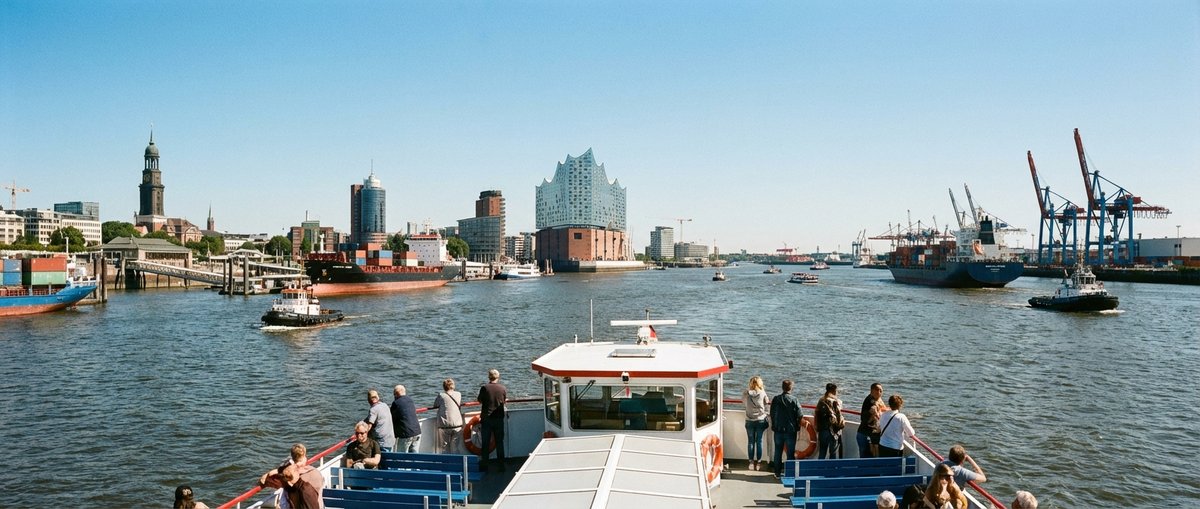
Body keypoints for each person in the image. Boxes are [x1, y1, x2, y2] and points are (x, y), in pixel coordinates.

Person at [259, 443, 325, 509]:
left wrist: (270, 474)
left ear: (292, 456)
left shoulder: (287, 474)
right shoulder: (315, 473)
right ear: (304, 455)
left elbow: (265, 479)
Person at [768, 378, 803, 478]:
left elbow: (772, 413)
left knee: (778, 452)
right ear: (791, 388)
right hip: (790, 431)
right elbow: (800, 414)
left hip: (778, 430)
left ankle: (777, 473)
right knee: (790, 453)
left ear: (782, 387)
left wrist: (774, 424)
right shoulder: (794, 400)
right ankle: (789, 473)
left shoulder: (776, 399)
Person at [477, 368, 508, 471]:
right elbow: (504, 400)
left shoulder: (484, 388)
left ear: (489, 377)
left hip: (486, 419)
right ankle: (501, 465)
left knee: (485, 443)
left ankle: (485, 464)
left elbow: (480, 400)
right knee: (499, 442)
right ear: (498, 377)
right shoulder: (502, 388)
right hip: (499, 419)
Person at [742, 375, 770, 471]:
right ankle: (758, 463)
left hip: (749, 420)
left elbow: (744, 403)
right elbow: (767, 402)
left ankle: (750, 463)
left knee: (750, 442)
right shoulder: (762, 393)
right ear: (760, 383)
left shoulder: (746, 393)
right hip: (760, 420)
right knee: (759, 441)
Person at [430, 378, 465, 454]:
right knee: (455, 446)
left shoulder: (441, 395)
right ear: (453, 386)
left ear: (444, 387)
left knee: (445, 447)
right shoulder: (458, 394)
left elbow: (435, 405)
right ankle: (456, 463)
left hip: (444, 425)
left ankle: (446, 464)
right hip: (457, 424)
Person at [815, 382, 845, 459]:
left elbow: (816, 414)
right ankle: (832, 470)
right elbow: (839, 415)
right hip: (834, 430)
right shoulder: (838, 401)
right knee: (833, 453)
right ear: (834, 391)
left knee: (822, 452)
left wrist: (817, 427)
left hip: (823, 429)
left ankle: (820, 469)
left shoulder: (821, 401)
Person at [857, 383, 885, 458]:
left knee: (870, 456)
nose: (879, 392)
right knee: (865, 457)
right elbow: (874, 407)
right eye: (877, 390)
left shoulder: (878, 399)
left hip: (871, 433)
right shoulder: (871, 400)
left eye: (881, 391)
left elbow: (883, 408)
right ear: (871, 391)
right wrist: (875, 413)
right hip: (864, 433)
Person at [391, 385, 421, 453]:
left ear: (395, 394)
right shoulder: (410, 400)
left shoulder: (396, 403)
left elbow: (392, 418)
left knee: (402, 456)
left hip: (406, 433)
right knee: (414, 456)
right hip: (417, 431)